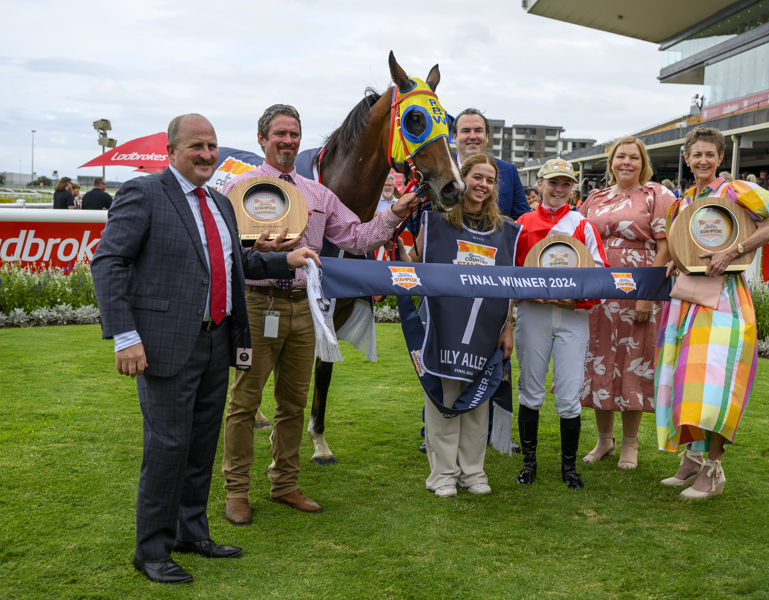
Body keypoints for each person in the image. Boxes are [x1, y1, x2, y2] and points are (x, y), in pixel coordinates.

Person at [91, 113, 317, 584]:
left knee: (200, 444)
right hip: (166, 344)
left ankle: (191, 533)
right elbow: (109, 261)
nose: (207, 154)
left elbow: (236, 263)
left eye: (212, 145)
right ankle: (152, 550)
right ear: (171, 151)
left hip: (217, 340)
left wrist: (285, 259)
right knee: (168, 446)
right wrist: (125, 336)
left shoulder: (218, 201)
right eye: (197, 145)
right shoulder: (144, 193)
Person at [220, 104, 421, 526]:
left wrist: (394, 213)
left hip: (303, 306)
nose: (288, 141)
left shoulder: (318, 194)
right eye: (280, 133)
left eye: (294, 134)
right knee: (244, 402)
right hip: (257, 303)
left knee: (293, 404)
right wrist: (251, 249)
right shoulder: (237, 188)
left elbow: (356, 237)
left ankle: (284, 483)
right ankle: (236, 490)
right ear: (262, 138)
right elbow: (220, 248)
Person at [656, 125, 769, 499]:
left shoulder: (733, 191)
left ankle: (714, 468)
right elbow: (683, 246)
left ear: (721, 157)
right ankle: (693, 458)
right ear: (687, 158)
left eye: (710, 154)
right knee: (685, 379)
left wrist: (732, 252)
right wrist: (677, 261)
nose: (703, 160)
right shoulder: (682, 201)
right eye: (697, 154)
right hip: (688, 300)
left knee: (714, 384)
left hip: (725, 300)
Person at [396, 154, 516, 496]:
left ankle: (473, 473)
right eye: (477, 177)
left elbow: (509, 284)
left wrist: (507, 327)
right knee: (445, 400)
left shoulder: (505, 230)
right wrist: (399, 247)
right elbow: (415, 261)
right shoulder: (436, 221)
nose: (483, 185)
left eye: (490, 180)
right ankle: (443, 475)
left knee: (477, 403)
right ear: (462, 179)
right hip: (444, 324)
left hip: (486, 327)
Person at [578, 137, 674, 470]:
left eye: (634, 157)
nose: (626, 162)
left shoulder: (656, 195)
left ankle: (630, 443)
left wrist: (647, 295)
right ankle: (604, 440)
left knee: (635, 363)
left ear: (643, 163)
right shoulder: (595, 198)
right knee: (600, 362)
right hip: (599, 293)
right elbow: (577, 240)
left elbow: (665, 246)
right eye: (621, 156)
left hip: (638, 291)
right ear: (612, 162)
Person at [514, 158, 610, 489]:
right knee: (531, 390)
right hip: (534, 313)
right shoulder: (523, 223)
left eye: (566, 183)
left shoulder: (582, 224)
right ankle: (529, 464)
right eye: (553, 182)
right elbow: (510, 273)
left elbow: (601, 275)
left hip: (572, 316)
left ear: (573, 188)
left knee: (569, 393)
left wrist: (578, 301)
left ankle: (568, 468)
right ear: (539, 184)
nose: (559, 189)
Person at [452, 108, 529, 220]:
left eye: (478, 131)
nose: (472, 136)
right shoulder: (438, 169)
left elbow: (522, 219)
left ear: (487, 136)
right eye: (466, 131)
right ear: (454, 137)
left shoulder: (508, 171)